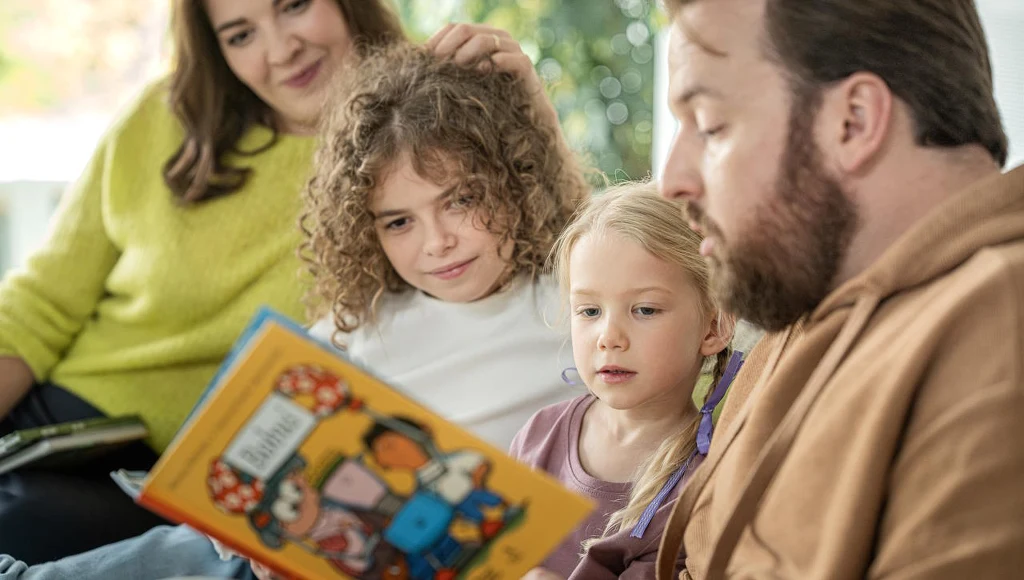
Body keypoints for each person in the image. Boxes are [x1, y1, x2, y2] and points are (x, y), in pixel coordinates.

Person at [0, 38, 590, 580]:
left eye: (461, 200)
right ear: (370, 230)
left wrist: (537, 112)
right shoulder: (358, 325)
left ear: (517, 178)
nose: (437, 242)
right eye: (399, 222)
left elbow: (629, 241)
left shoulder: (576, 300)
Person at [0, 0, 405, 562]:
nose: (280, 50)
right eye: (241, 35)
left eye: (293, 6)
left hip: (202, 481)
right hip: (56, 430)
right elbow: (39, 303)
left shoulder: (415, 146)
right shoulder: (165, 117)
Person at [653, 0, 1024, 578]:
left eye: (709, 126)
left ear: (852, 120)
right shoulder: (807, 293)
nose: (672, 180)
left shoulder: (1001, 329)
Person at [512, 185, 735, 580]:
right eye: (590, 310)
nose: (609, 336)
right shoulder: (538, 436)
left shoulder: (707, 477)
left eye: (645, 309)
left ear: (714, 326)